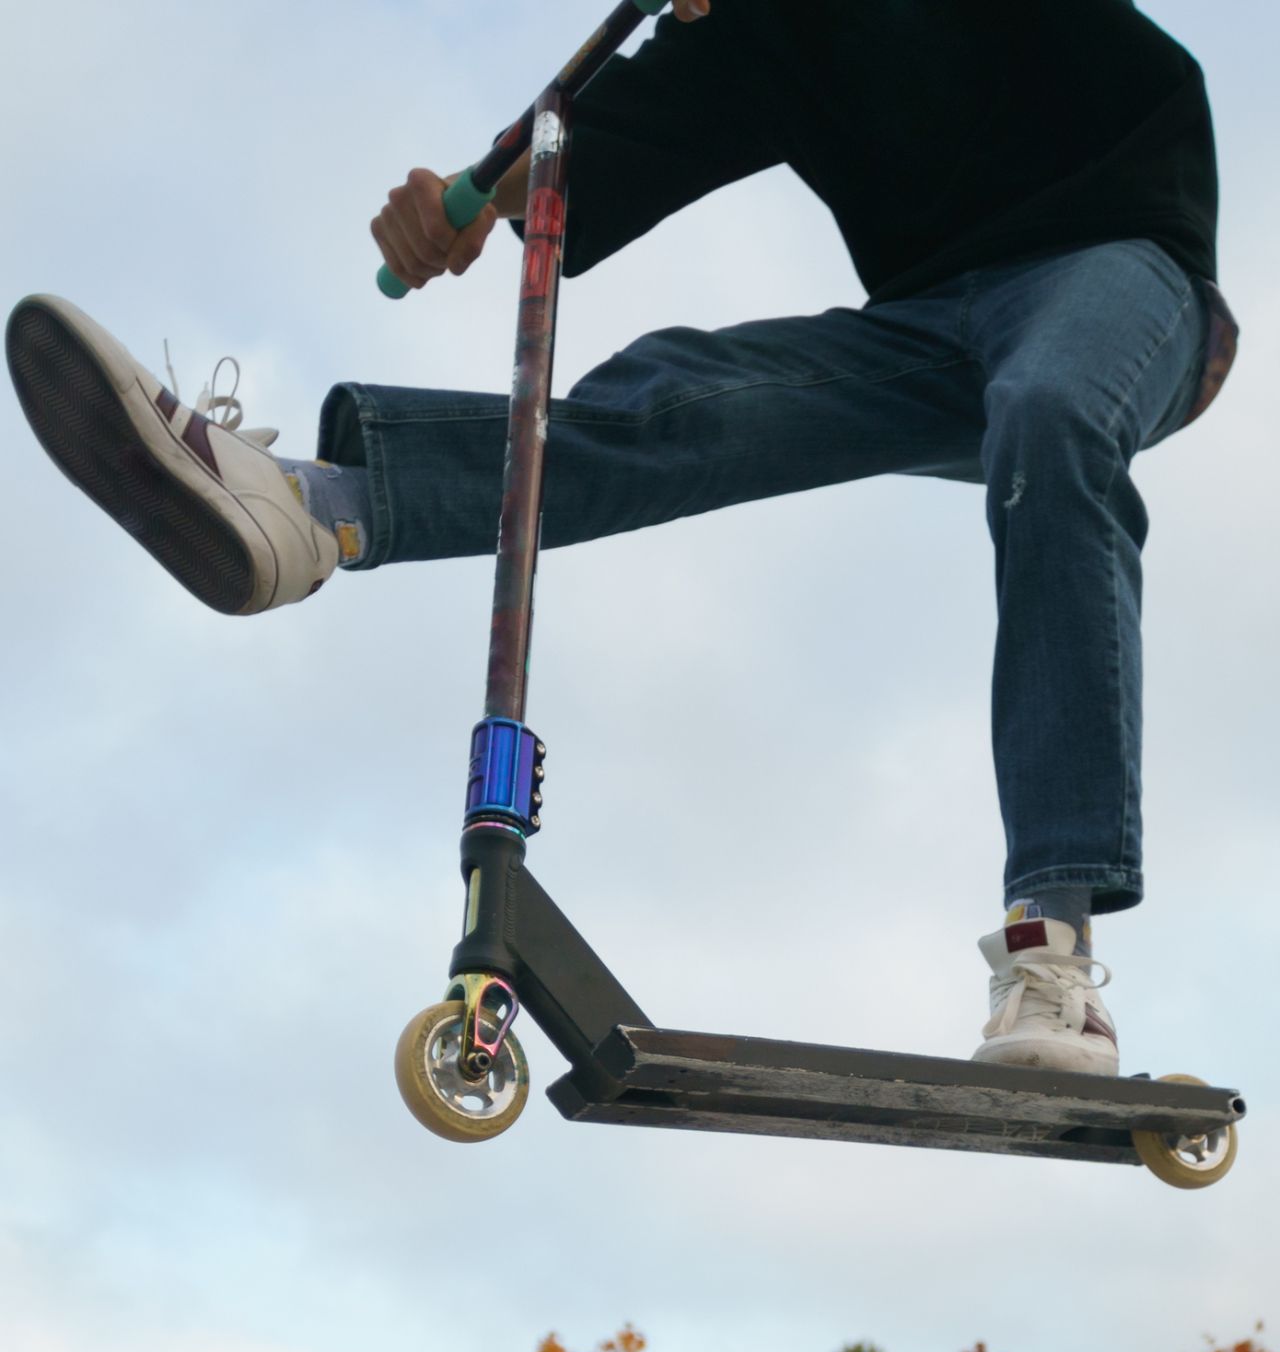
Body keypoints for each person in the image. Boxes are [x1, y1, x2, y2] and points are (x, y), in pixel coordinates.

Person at [6, 0, 1236, 1075]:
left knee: (1050, 414)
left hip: (1126, 279)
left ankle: (1051, 954)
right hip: (927, 333)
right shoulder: (749, 39)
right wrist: (468, 204)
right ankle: (314, 511)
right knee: (675, 402)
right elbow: (562, 169)